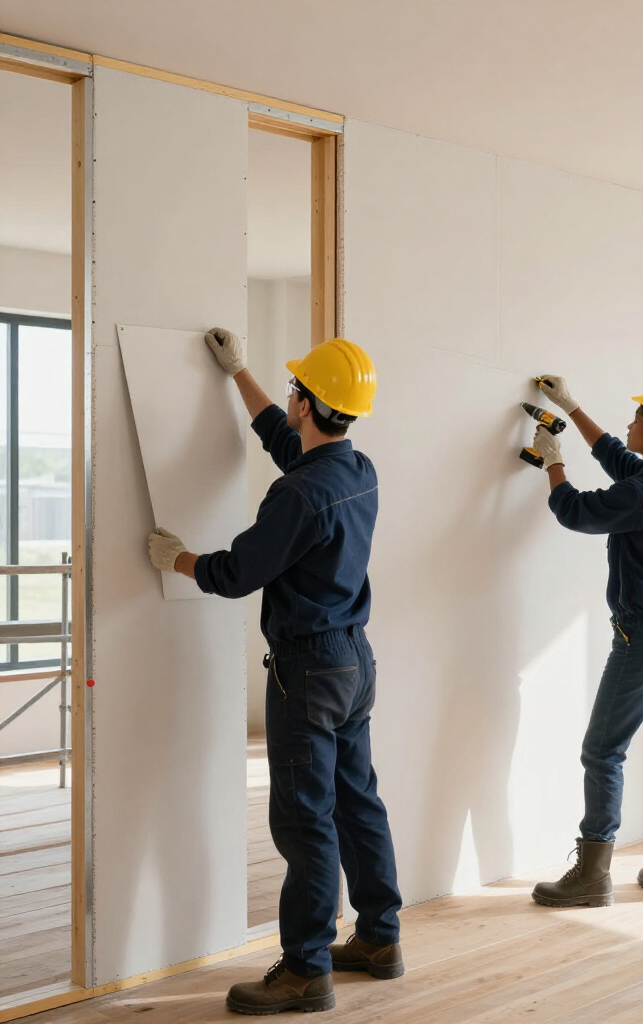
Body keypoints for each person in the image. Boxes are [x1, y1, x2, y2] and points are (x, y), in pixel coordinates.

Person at [147, 329, 403, 1015]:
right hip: (355, 660)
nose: (288, 398)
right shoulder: (358, 470)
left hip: (309, 671)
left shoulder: (297, 498)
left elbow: (235, 573)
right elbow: (288, 446)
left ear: (309, 403)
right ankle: (380, 939)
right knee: (359, 802)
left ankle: (304, 970)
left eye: (295, 389)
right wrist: (240, 374)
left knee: (305, 821)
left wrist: (177, 558)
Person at [527, 375, 643, 908]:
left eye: (638, 417)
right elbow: (613, 454)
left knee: (602, 751)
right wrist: (572, 405)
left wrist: (552, 461)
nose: (630, 423)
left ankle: (592, 875)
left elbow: (575, 511)